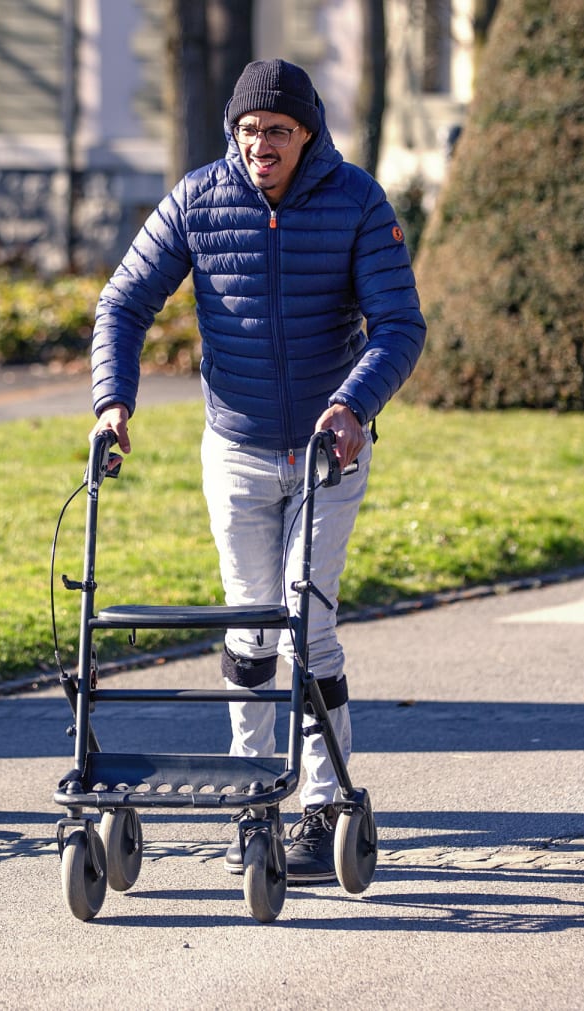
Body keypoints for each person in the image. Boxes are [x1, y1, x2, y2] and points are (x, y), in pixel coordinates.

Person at [89, 59, 426, 882]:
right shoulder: (200, 199)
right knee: (249, 629)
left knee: (306, 626)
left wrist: (352, 405)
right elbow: (124, 301)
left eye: (276, 131)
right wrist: (113, 401)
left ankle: (322, 803)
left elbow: (399, 326)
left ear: (306, 134)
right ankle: (252, 794)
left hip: (326, 451)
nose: (260, 146)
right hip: (235, 446)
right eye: (247, 132)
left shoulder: (355, 200)